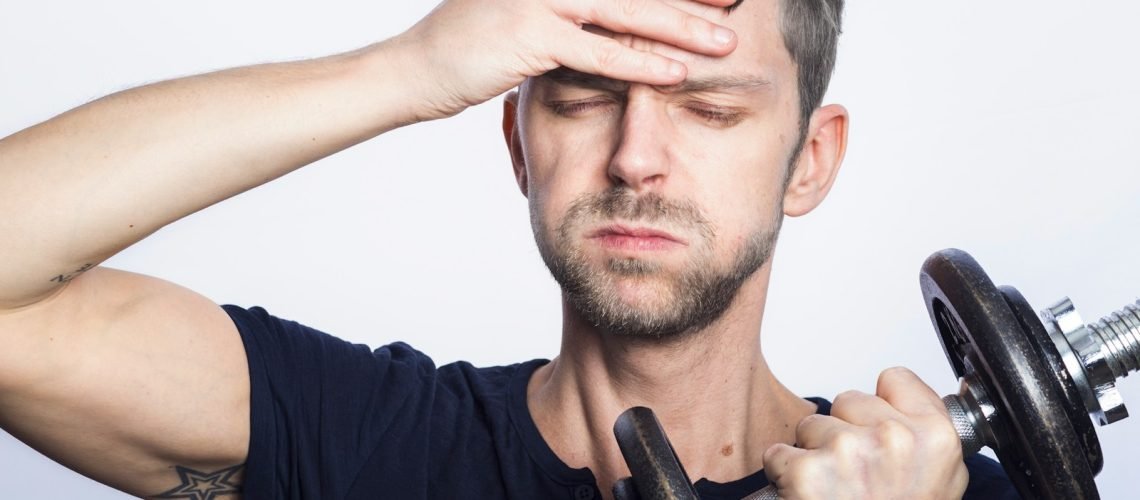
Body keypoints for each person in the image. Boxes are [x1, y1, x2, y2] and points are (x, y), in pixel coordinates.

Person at [0, 0, 1020, 498]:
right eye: (581, 98)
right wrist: (407, 68)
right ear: (518, 140)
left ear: (810, 159)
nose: (635, 158)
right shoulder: (364, 446)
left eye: (709, 109)